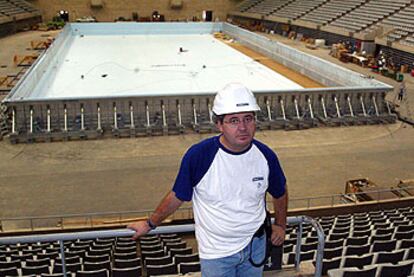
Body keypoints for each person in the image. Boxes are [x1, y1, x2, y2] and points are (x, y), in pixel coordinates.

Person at [128, 83, 288, 277]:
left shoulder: (265, 155)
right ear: (219, 125)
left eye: (248, 118)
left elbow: (280, 191)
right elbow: (178, 196)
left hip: (255, 245)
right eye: (234, 120)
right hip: (217, 253)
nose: (243, 127)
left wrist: (280, 224)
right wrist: (149, 224)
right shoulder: (199, 156)